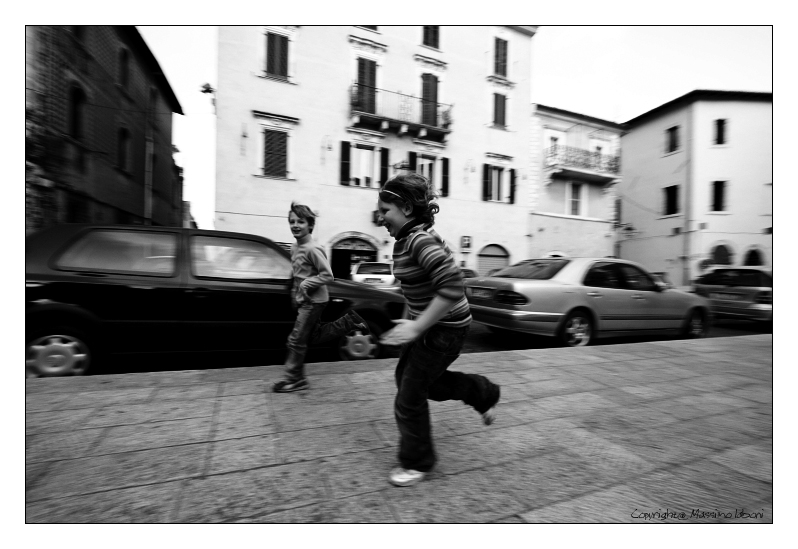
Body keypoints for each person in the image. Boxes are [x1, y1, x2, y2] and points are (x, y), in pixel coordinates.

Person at [376, 173, 501, 487]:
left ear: (406, 208)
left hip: (445, 330)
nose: (380, 218)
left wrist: (417, 326)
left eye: (385, 211)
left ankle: (417, 462)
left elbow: (453, 285)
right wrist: (408, 324)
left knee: (409, 396)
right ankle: (482, 393)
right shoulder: (406, 240)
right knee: (417, 384)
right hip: (430, 327)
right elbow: (414, 289)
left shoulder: (420, 240)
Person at [272, 202, 371, 393]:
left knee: (296, 340)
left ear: (310, 224)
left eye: (300, 221)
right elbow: (298, 273)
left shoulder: (313, 249)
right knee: (312, 336)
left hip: (315, 301)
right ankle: (350, 321)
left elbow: (327, 275)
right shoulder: (294, 248)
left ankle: (294, 379)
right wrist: (294, 292)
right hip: (304, 300)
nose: (295, 225)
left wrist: (305, 285)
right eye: (292, 221)